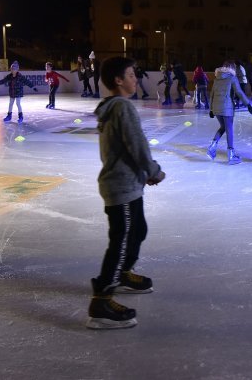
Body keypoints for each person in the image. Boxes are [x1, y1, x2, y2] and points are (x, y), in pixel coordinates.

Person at [87, 56, 166, 330]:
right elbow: (137, 145)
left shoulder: (112, 107)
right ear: (118, 80)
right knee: (120, 241)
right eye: (131, 75)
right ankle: (102, 301)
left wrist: (143, 175)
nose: (136, 79)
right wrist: (153, 170)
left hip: (128, 183)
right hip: (121, 186)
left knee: (138, 230)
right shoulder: (121, 107)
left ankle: (122, 273)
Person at [207, 61, 252, 164]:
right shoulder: (232, 78)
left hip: (216, 108)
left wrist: (211, 109)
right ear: (232, 68)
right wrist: (248, 104)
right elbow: (239, 92)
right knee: (229, 130)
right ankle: (231, 155)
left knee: (223, 127)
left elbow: (212, 94)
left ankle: (212, 146)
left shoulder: (217, 79)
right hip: (227, 108)